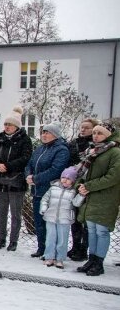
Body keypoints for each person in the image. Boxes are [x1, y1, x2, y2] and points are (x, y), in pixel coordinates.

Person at [75, 122, 120, 276]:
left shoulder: (115, 152)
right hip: (91, 196)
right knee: (92, 230)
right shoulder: (92, 151)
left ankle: (99, 262)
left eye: (99, 133)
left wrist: (89, 186)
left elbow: (113, 177)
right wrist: (80, 185)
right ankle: (92, 259)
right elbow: (83, 172)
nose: (95, 135)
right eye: (94, 132)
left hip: (106, 197)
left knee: (101, 231)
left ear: (108, 135)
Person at [0, 106, 32, 252]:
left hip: (16, 180)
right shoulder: (0, 139)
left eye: (10, 125)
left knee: (15, 213)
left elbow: (25, 158)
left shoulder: (25, 140)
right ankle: (1, 238)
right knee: (1, 213)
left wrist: (7, 166)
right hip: (0, 179)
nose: (7, 127)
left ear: (17, 127)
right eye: (6, 124)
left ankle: (13, 241)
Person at [25, 123, 70, 258]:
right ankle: (42, 247)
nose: (44, 135)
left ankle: (52, 250)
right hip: (37, 191)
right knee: (39, 222)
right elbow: (30, 163)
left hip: (52, 192)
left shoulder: (61, 150)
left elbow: (56, 170)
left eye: (47, 132)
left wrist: (36, 178)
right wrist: (28, 175)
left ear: (55, 134)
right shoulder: (40, 149)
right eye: (43, 132)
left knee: (50, 224)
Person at [67, 118, 99, 261]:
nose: (83, 129)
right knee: (75, 218)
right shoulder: (74, 144)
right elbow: (68, 161)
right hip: (73, 183)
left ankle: (83, 249)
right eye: (82, 127)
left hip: (88, 186)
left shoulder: (96, 146)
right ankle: (75, 246)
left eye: (87, 127)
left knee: (85, 219)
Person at [40, 166, 85, 269]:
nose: (65, 180)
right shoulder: (53, 188)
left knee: (62, 240)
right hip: (50, 217)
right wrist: (43, 208)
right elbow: (45, 199)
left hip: (65, 219)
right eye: (63, 177)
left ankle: (60, 259)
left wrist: (81, 196)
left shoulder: (73, 192)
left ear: (73, 181)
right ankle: (49, 257)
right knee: (50, 238)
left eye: (69, 179)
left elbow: (76, 203)